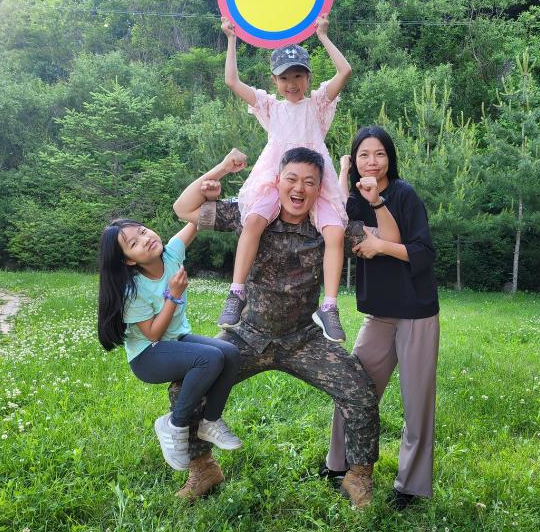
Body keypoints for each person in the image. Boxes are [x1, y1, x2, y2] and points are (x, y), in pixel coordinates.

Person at [170, 147, 401, 507]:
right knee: (186, 385)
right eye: (291, 179)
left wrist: (379, 202)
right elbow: (183, 209)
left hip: (302, 339)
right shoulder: (253, 212)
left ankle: (359, 476)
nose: (299, 189)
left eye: (309, 182)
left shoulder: (330, 222)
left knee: (359, 389)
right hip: (246, 336)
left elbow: (391, 240)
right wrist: (222, 168)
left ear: (319, 187)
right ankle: (202, 469)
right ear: (277, 181)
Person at [320, 125, 441, 510]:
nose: (372, 162)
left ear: (390, 158)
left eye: (380, 154)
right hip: (379, 314)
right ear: (355, 161)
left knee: (417, 403)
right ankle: (337, 465)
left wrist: (380, 244)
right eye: (363, 155)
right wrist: (342, 173)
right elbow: (337, 216)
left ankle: (412, 486)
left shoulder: (404, 195)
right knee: (353, 389)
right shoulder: (354, 197)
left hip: (417, 312)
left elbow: (422, 252)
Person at [218, 14, 352, 343]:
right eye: (284, 78)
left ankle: (330, 305)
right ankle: (237, 291)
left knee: (335, 231)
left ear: (307, 78)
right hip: (277, 179)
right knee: (253, 222)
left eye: (298, 75)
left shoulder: (317, 105)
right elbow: (232, 82)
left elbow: (345, 71)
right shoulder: (271, 108)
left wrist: (323, 35)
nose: (291, 83)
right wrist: (231, 39)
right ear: (274, 81)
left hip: (313, 181)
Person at [97, 211, 244, 498]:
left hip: (176, 340)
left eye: (142, 230)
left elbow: (197, 218)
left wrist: (222, 171)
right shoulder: (132, 289)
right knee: (210, 358)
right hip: (148, 357)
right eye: (134, 243)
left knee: (230, 352)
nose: (145, 238)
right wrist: (173, 295)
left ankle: (210, 421)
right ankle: (173, 424)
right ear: (129, 260)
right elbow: (152, 334)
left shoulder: (171, 254)